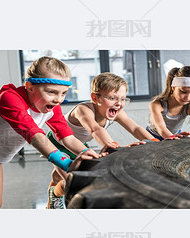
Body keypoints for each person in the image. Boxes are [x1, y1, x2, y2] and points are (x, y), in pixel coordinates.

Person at [0, 56, 102, 209]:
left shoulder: (51, 107)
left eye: (63, 93)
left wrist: (90, 155)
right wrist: (67, 163)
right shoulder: (9, 98)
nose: (58, 100)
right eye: (52, 92)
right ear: (29, 86)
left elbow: (66, 137)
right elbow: (34, 135)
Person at [46, 72, 158, 208]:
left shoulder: (116, 111)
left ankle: (55, 185)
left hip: (78, 143)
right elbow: (95, 129)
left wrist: (157, 143)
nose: (119, 104)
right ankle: (55, 194)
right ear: (95, 98)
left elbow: (135, 128)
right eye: (112, 98)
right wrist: (115, 148)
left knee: (59, 176)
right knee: (72, 181)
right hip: (58, 143)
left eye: (123, 99)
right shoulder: (83, 110)